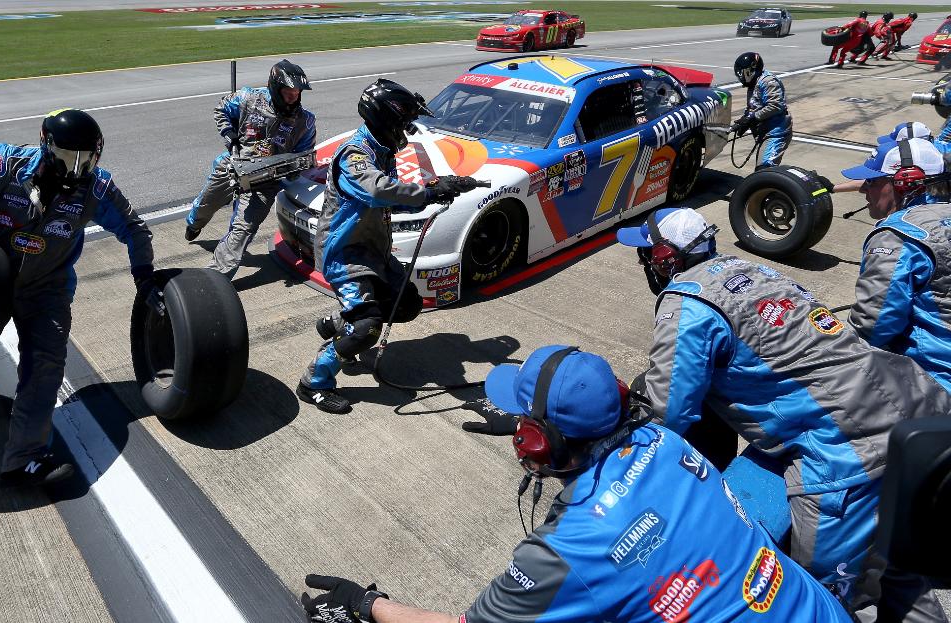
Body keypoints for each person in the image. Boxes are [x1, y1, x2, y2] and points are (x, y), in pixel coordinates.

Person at [301, 346, 853, 623]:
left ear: (537, 443)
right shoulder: (666, 441)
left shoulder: (563, 554)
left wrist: (368, 603)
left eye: (523, 425)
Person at [616, 207, 951, 621]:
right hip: (917, 413)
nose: (644, 263)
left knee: (829, 596)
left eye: (647, 254)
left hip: (848, 453)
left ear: (667, 258)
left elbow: (668, 412)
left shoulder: (686, 301)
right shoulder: (752, 270)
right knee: (896, 570)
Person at [0, 109, 162, 488]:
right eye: (69, 158)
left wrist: (144, 276)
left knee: (46, 365)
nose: (77, 169)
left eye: (88, 160)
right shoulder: (5, 162)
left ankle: (23, 459)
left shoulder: (97, 188)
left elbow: (134, 228)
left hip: (46, 287)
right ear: (46, 146)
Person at [297, 79, 475, 413]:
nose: (407, 131)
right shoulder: (355, 155)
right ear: (387, 120)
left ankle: (337, 324)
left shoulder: (381, 151)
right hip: (345, 253)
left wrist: (441, 188)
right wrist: (428, 192)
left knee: (406, 305)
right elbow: (378, 191)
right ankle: (314, 382)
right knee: (367, 328)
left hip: (373, 250)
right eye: (404, 123)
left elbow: (392, 200)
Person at [839, 138, 951, 394]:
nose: (864, 189)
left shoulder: (899, 237)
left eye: (873, 182)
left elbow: (874, 325)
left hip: (933, 383)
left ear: (905, 183)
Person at [184, 59, 316, 277]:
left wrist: (294, 169)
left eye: (298, 92)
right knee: (206, 204)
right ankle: (195, 223)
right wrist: (229, 133)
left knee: (243, 230)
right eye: (289, 92)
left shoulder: (306, 121)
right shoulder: (248, 98)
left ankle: (216, 277)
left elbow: (304, 154)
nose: (294, 97)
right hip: (232, 166)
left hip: (266, 181)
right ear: (275, 87)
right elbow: (221, 108)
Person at [730, 52, 792, 169]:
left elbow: (775, 106)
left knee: (764, 169)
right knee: (762, 169)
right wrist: (744, 121)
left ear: (751, 70)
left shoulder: (768, 82)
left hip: (776, 133)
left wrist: (752, 118)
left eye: (742, 73)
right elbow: (754, 106)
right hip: (764, 133)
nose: (740, 77)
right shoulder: (753, 84)